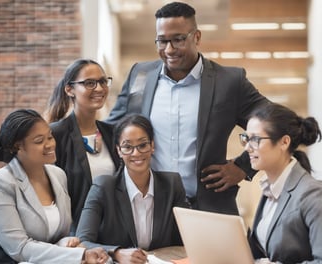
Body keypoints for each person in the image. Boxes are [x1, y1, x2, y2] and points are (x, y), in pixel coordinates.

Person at [106, 2, 271, 214]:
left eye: (178, 40)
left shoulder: (229, 81)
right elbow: (112, 128)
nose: (169, 49)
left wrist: (243, 166)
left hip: (208, 208)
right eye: (162, 41)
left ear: (197, 37)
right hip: (149, 211)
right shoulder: (141, 75)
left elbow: (274, 122)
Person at [0, 109, 109, 264]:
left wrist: (66, 242)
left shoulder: (58, 175)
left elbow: (58, 236)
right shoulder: (0, 183)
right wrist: (80, 256)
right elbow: (19, 249)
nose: (50, 144)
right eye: (39, 141)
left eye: (50, 136)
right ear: (17, 147)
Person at [76, 114, 188, 264]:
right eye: (128, 147)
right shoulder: (103, 186)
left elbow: (187, 237)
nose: (136, 153)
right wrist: (116, 253)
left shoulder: (172, 184)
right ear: (119, 151)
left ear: (152, 146)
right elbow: (82, 241)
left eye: (142, 145)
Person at [239, 103, 322, 263]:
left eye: (255, 139)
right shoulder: (269, 189)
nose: (248, 148)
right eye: (246, 139)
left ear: (284, 142)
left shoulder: (313, 195)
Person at [45, 59, 119, 233]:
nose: (100, 88)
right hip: (74, 236)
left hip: (114, 234)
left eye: (102, 81)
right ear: (69, 89)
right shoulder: (55, 135)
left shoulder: (113, 133)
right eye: (89, 83)